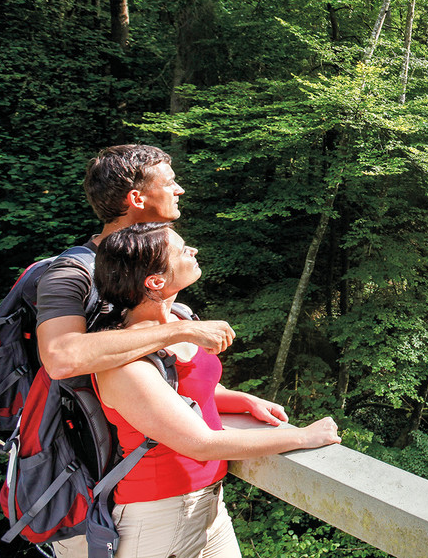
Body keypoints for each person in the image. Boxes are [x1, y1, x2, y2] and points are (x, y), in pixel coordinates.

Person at [91, 222, 340, 558]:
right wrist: (303, 437)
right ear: (155, 281)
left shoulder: (179, 321)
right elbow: (200, 444)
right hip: (157, 517)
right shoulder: (124, 365)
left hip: (209, 505)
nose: (193, 250)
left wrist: (243, 400)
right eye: (182, 250)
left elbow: (188, 390)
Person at [35, 144, 236, 380]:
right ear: (137, 199)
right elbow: (60, 358)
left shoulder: (152, 258)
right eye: (169, 183)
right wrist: (181, 330)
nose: (179, 190)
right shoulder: (72, 273)